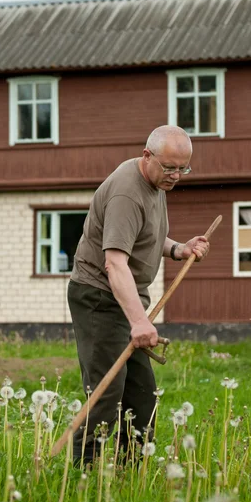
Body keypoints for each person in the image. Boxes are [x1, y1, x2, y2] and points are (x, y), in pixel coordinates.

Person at [68, 125, 210, 463]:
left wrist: (179, 248)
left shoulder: (155, 181)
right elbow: (114, 264)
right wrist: (139, 322)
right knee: (107, 393)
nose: (176, 176)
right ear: (148, 156)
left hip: (123, 303)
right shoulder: (126, 194)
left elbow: (143, 235)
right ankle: (83, 476)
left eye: (183, 168)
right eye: (169, 167)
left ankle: (130, 473)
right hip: (99, 300)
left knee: (143, 396)